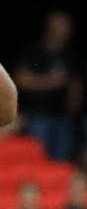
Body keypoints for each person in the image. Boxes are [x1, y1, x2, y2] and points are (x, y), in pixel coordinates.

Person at [13, 10, 81, 160]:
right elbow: (21, 80)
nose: (67, 28)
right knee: (37, 159)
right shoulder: (34, 51)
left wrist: (72, 109)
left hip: (63, 118)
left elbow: (75, 84)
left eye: (68, 25)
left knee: (61, 163)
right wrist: (51, 81)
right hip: (38, 117)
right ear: (51, 26)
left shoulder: (69, 54)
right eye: (63, 25)